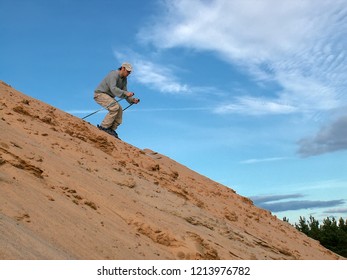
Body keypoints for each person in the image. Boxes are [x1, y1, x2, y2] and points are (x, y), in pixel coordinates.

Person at [94, 62, 140, 139]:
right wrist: (126, 93)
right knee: (114, 107)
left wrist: (132, 100)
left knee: (120, 110)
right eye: (127, 71)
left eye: (130, 72)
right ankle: (104, 127)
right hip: (100, 94)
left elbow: (125, 92)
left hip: (109, 96)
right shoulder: (113, 74)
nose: (128, 73)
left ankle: (111, 129)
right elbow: (113, 88)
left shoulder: (124, 80)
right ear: (123, 68)